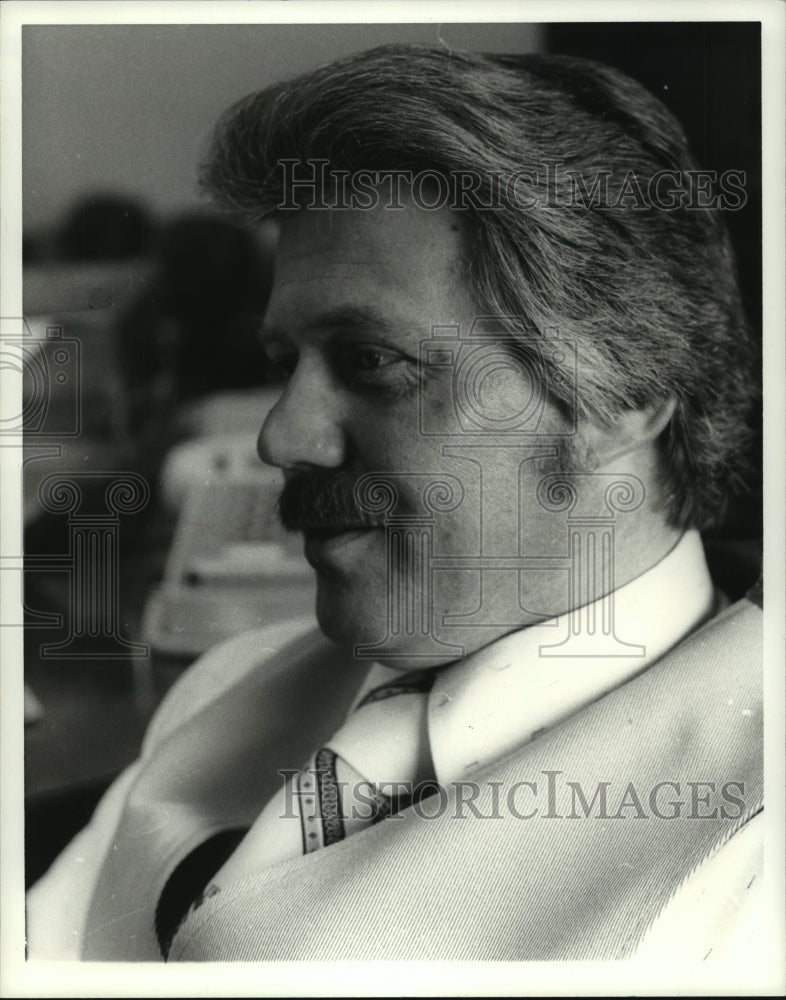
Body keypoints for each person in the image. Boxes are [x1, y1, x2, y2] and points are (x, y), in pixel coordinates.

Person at [26, 45, 763, 963]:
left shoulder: (754, 869)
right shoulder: (225, 684)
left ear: (625, 392)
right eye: (281, 365)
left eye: (372, 361)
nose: (281, 439)